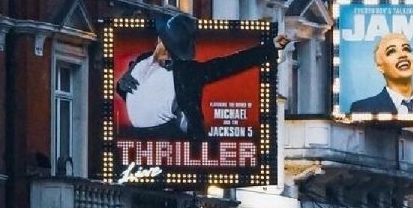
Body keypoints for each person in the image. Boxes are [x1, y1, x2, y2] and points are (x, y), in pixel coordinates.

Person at [116, 13, 290, 143]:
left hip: (169, 140)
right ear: (159, 39)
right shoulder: (141, 61)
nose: (165, 53)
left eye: (170, 49)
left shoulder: (186, 72)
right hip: (137, 140)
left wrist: (270, 48)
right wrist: (121, 85)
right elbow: (133, 93)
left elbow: (228, 65)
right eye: (164, 46)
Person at [349, 32, 413, 116]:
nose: (403, 55)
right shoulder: (363, 108)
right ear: (380, 67)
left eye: (406, 49)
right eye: (391, 51)